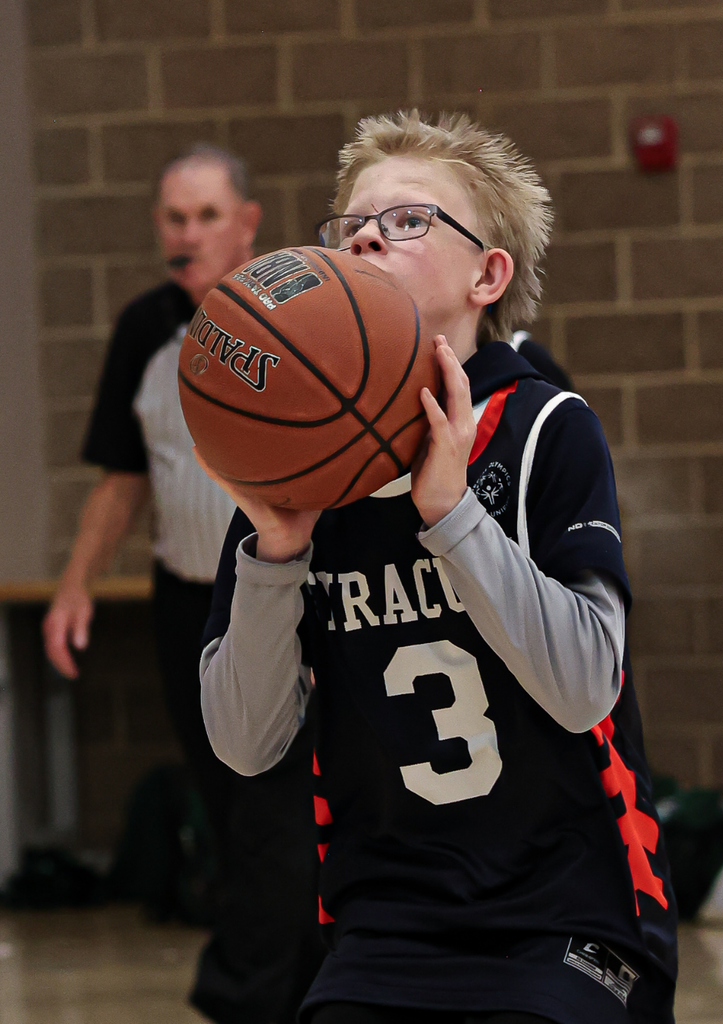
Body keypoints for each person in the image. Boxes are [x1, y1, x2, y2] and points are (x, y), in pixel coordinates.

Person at [199, 112, 678, 1024]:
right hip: (384, 931)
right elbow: (244, 742)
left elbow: (585, 687)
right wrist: (276, 555)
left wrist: (452, 514)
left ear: (486, 275)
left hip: (568, 920)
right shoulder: (293, 473)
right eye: (350, 226)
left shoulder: (545, 429)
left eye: (412, 220)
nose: (371, 234)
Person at [42, 143, 325, 1024]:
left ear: (247, 224)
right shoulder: (142, 331)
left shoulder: (300, 318)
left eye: (206, 215)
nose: (186, 233)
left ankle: (259, 993)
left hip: (290, 597)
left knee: (280, 808)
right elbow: (122, 481)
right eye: (173, 216)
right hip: (187, 601)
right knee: (226, 800)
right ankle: (268, 984)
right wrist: (76, 585)